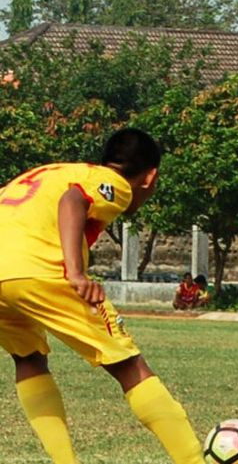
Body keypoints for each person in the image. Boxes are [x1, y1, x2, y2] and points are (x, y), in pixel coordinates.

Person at [0, 128, 205, 463]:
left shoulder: (51, 171)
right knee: (130, 366)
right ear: (150, 177)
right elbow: (74, 200)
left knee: (28, 358)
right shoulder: (115, 183)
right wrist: (76, 272)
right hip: (37, 269)